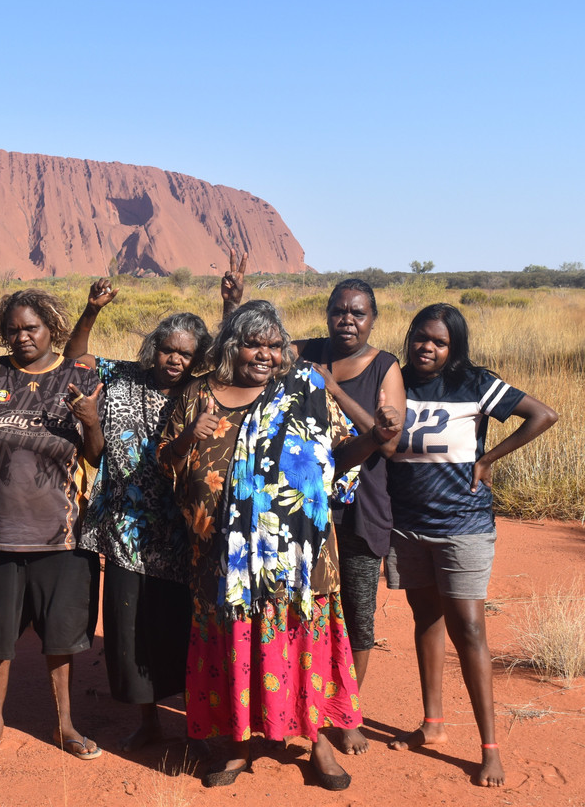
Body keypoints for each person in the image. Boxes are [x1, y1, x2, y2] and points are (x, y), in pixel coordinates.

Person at [158, 300, 401, 790]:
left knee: (302, 639)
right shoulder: (199, 393)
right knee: (235, 643)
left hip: (297, 556)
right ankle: (239, 745)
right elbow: (166, 463)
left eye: (273, 344)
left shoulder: (304, 391)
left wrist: (374, 438)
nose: (264, 354)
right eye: (253, 343)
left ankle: (318, 742)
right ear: (232, 345)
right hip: (223, 559)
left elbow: (339, 454)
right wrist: (192, 433)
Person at [61, 251, 245, 752]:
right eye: (166, 349)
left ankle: (194, 720)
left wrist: (232, 305)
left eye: (185, 353)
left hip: (184, 528)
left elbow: (234, 357)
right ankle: (148, 720)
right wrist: (92, 310)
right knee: (132, 626)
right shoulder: (121, 378)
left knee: (183, 626)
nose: (174, 360)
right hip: (125, 529)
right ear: (153, 348)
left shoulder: (202, 392)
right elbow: (75, 359)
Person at [385, 303, 557, 787]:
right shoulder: (394, 379)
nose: (427, 347)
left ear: (453, 347)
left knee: (471, 629)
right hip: (407, 524)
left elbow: (543, 414)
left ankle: (489, 748)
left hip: (463, 525)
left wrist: (488, 461)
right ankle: (433, 725)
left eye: (439, 342)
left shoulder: (476, 383)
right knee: (426, 619)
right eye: (420, 337)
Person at [0, 289, 106, 761]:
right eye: (13, 329)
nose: (21, 337)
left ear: (51, 329)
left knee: (61, 637)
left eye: (31, 328)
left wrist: (92, 421)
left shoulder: (80, 376)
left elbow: (97, 455)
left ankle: (65, 725)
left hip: (62, 533)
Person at [292, 279, 406, 754]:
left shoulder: (385, 366)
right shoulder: (303, 351)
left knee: (358, 613)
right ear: (326, 314)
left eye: (358, 313)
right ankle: (303, 704)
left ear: (373, 319)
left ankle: (347, 711)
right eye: (339, 311)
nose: (348, 320)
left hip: (362, 508)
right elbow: (243, 349)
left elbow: (392, 442)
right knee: (305, 608)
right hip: (304, 504)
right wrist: (232, 304)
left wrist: (335, 389)